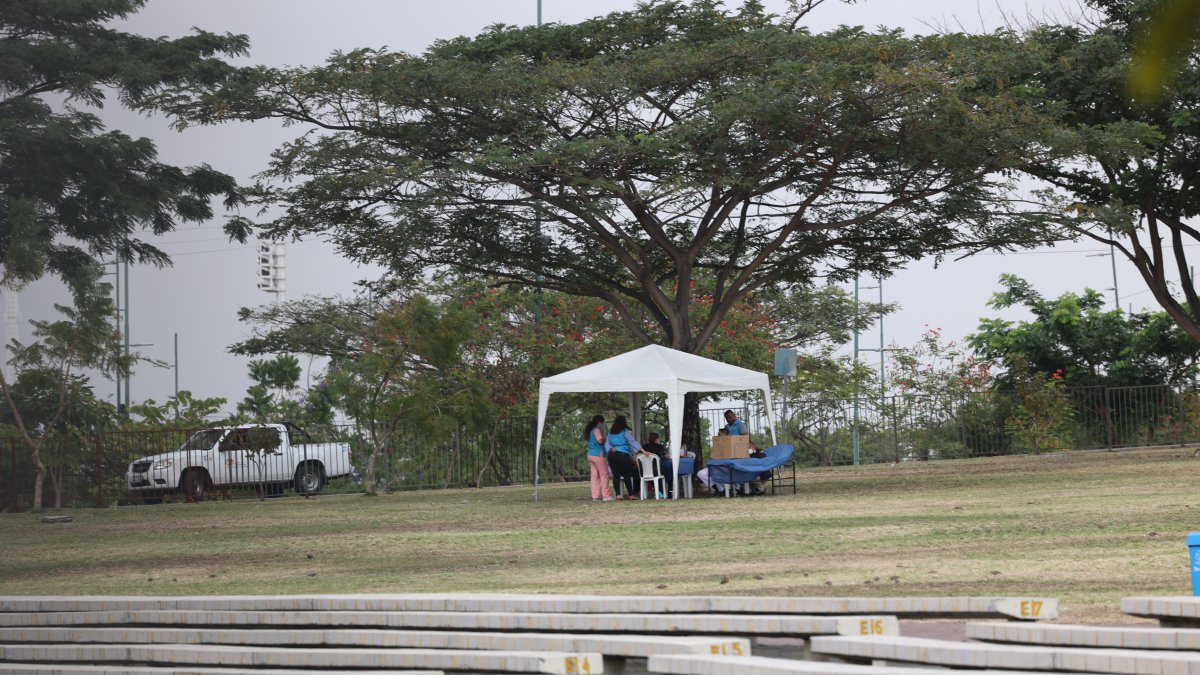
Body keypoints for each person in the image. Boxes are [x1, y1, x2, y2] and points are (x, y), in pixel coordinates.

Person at [605, 415, 642, 500]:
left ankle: (618, 495)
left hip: (611, 455)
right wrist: (642, 450)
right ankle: (631, 495)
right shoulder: (624, 431)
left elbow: (607, 443)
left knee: (616, 476)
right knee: (627, 475)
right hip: (622, 455)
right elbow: (632, 441)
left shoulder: (611, 431)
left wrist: (610, 448)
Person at [583, 415, 614, 502]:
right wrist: (605, 439)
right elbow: (600, 440)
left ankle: (595, 496)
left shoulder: (589, 430)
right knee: (604, 474)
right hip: (598, 454)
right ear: (600, 422)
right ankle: (606, 495)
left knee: (594, 476)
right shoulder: (596, 430)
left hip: (590, 454)